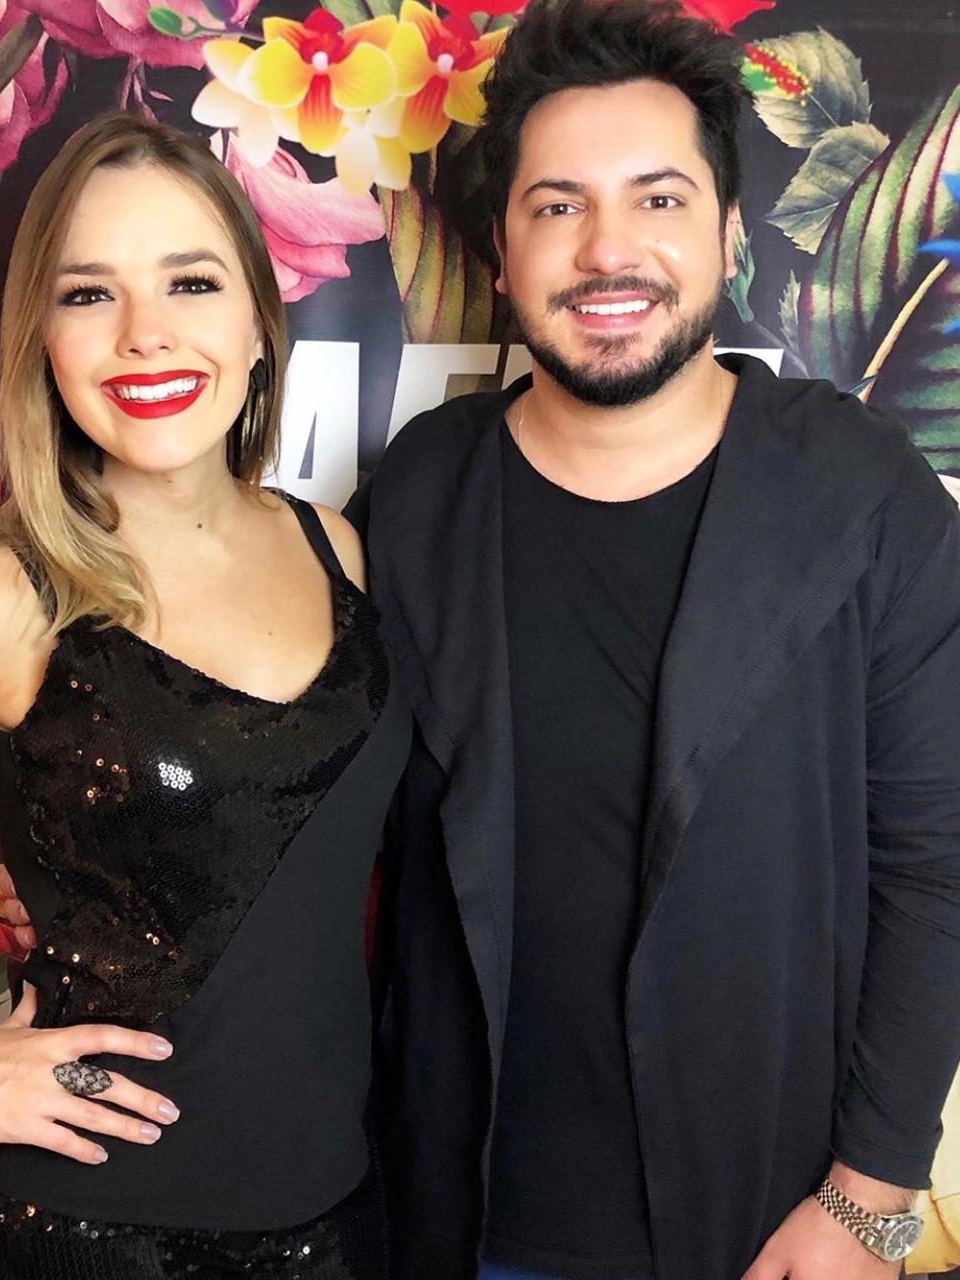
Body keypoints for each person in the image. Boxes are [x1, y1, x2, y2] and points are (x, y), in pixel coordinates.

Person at [346, 2, 960, 1279]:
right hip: (461, 1217)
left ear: (731, 234)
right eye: (557, 205)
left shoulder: (859, 491)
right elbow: (326, 808)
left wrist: (868, 1201)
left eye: (659, 198)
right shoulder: (419, 495)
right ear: (502, 252)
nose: (608, 249)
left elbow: (939, 864)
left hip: (769, 1226)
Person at [0, 112, 408, 1279]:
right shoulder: (6, 593)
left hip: (341, 1214)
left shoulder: (334, 546)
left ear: (258, 319)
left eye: (190, 281)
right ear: (43, 339)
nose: (145, 334)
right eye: (90, 294)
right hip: (92, 1238)